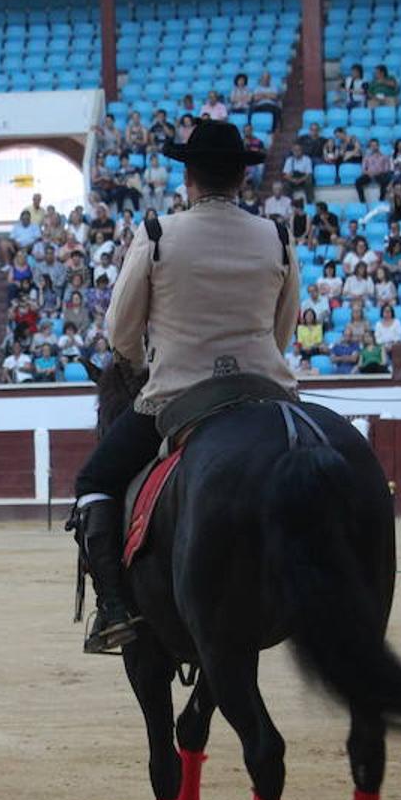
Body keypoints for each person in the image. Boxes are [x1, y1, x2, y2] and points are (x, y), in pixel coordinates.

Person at [69, 119, 297, 655]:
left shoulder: (157, 234)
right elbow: (284, 328)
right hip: (269, 394)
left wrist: (140, 362)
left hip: (178, 395)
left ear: (188, 177)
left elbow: (120, 333)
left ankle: (114, 607)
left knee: (95, 479)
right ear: (242, 178)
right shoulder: (277, 237)